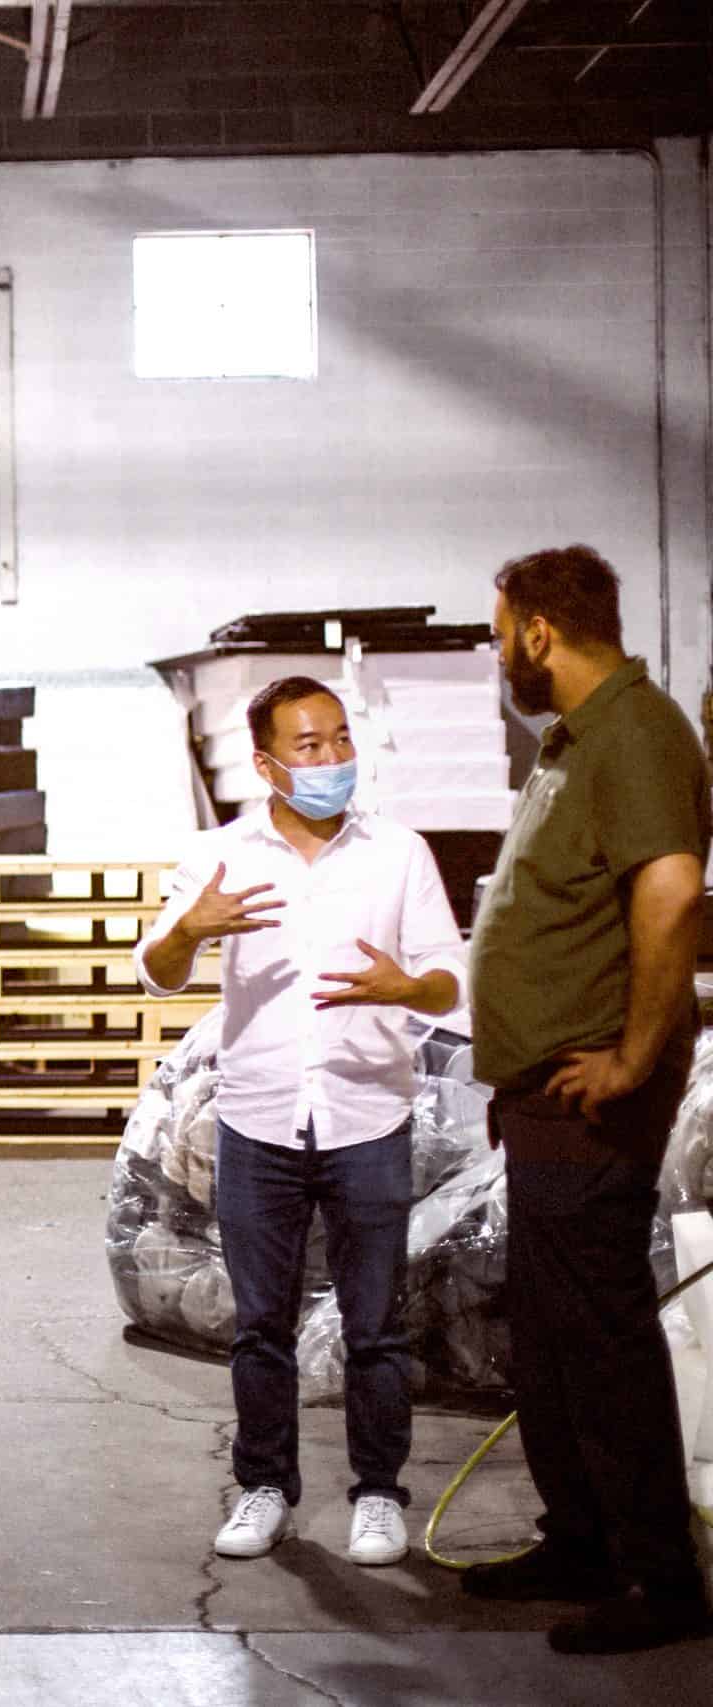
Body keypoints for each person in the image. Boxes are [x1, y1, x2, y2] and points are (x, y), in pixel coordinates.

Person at [138, 675, 467, 1568]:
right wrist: (190, 930)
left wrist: (408, 988)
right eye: (309, 747)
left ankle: (378, 1494)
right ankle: (265, 1486)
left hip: (368, 1117)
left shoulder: (398, 853)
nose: (330, 760)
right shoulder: (220, 853)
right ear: (266, 763)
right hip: (259, 1122)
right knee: (260, 1324)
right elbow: (156, 971)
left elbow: (450, 977)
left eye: (340, 740)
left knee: (376, 1325)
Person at [461, 545, 713, 1655]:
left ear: (538, 632)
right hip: (540, 1092)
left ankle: (662, 1581)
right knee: (551, 1335)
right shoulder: (570, 741)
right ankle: (583, 1541)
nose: (496, 650)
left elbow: (670, 897)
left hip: (589, 1096)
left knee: (600, 1336)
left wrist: (628, 1055)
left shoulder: (637, 734)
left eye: (497, 629)